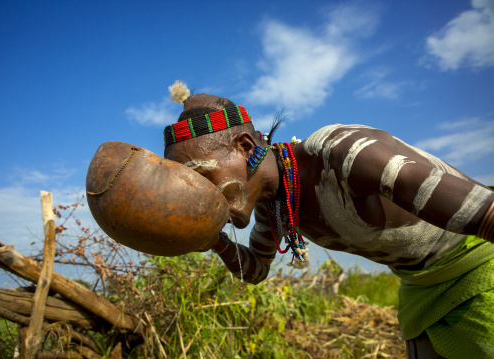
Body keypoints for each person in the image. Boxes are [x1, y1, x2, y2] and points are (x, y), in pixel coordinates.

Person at [163, 81, 494, 358]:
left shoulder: (341, 155)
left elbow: (484, 213)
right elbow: (258, 269)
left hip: (479, 267)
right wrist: (212, 240)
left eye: (204, 177)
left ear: (246, 146)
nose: (204, 196)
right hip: (421, 291)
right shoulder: (275, 206)